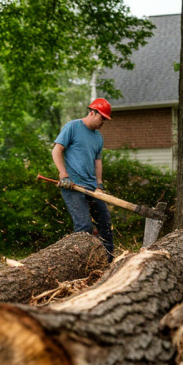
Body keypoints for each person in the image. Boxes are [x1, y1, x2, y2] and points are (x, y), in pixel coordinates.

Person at [52, 98, 114, 260]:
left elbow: (97, 161)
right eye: (102, 118)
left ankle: (109, 263)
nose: (103, 123)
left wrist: (99, 184)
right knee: (84, 227)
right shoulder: (72, 127)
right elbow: (56, 151)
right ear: (92, 112)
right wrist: (63, 175)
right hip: (72, 186)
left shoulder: (98, 137)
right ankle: (79, 264)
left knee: (105, 225)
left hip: (92, 188)